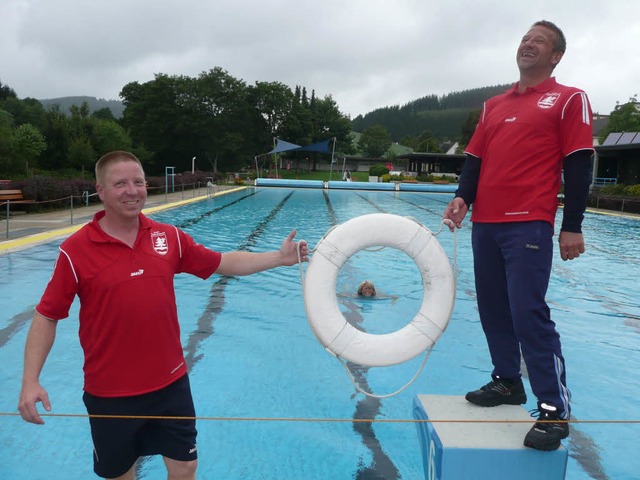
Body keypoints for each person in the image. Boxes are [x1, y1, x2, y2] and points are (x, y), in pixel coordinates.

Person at [17, 151, 310, 480]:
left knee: (185, 467)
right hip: (110, 393)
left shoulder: (167, 237)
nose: (133, 190)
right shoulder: (76, 250)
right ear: (100, 191)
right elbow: (47, 315)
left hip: (170, 384)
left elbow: (222, 262)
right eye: (121, 184)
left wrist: (278, 258)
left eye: (139, 182)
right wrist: (30, 381)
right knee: (119, 474)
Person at [443, 20, 593, 451]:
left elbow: (579, 164)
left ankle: (554, 409)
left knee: (528, 311)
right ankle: (508, 381)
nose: (528, 44)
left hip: (529, 221)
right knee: (492, 307)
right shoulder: (493, 105)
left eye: (539, 41)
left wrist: (573, 225)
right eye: (526, 38)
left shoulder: (569, 99)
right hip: (485, 223)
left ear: (556, 55)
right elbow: (474, 161)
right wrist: (461, 199)